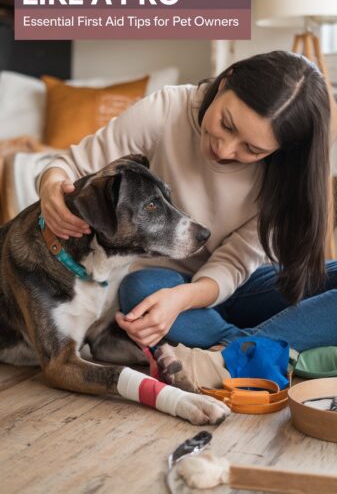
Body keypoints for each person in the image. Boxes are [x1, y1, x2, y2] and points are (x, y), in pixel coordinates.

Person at [39, 50, 337, 388]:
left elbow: (234, 264)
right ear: (225, 82)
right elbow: (74, 165)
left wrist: (187, 298)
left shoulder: (283, 175)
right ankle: (280, 343)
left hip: (229, 289)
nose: (225, 150)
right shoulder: (166, 110)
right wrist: (50, 184)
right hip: (161, 290)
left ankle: (224, 355)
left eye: (252, 150)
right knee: (139, 289)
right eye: (226, 124)